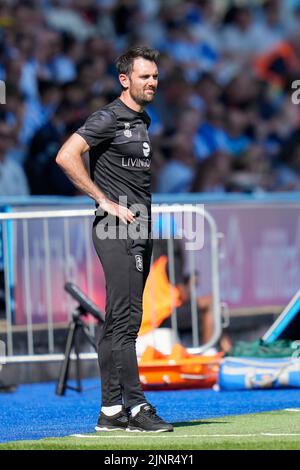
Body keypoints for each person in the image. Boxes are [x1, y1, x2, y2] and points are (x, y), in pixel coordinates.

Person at [55, 46, 173, 433]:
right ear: (125, 80)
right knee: (125, 323)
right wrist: (103, 200)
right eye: (145, 76)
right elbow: (66, 156)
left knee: (120, 323)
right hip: (116, 228)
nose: (152, 82)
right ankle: (137, 407)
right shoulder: (107, 117)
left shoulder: (144, 119)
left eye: (155, 76)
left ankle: (110, 412)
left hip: (139, 228)